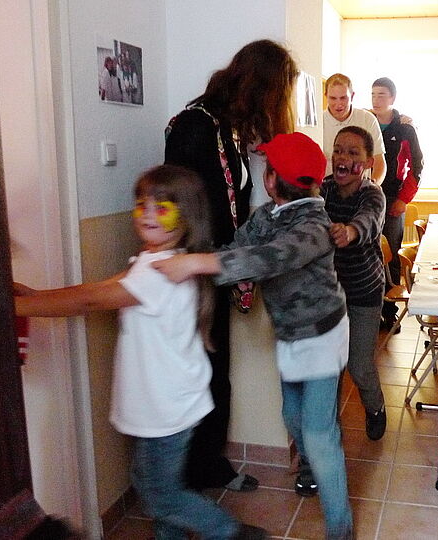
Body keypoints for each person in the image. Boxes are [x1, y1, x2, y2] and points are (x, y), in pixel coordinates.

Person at [14, 166, 265, 540]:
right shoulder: (153, 261)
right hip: (165, 404)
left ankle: (229, 532)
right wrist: (37, 296)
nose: (148, 213)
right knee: (156, 484)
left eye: (162, 207)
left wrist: (13, 306)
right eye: (141, 204)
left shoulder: (159, 273)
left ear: (186, 216)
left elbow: (90, 301)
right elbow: (97, 289)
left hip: (167, 408)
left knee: (160, 494)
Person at [153, 133, 354, 540]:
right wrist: (185, 259)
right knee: (293, 418)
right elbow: (237, 248)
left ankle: (340, 528)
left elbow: (272, 257)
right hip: (290, 335)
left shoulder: (315, 225)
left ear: (272, 179)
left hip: (323, 336)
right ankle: (313, 461)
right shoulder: (267, 216)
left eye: (268, 168)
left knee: (319, 435)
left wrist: (198, 264)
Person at [163, 39, 298, 493]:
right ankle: (189, 475)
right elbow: (184, 209)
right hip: (195, 272)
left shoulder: (223, 130)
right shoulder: (195, 126)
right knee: (199, 372)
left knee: (216, 369)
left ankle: (207, 465)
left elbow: (230, 203)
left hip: (215, 269)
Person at [322, 126, 388, 441]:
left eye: (352, 152)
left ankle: (375, 408)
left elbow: (370, 220)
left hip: (364, 293)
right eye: (338, 150)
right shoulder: (322, 191)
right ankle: (329, 428)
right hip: (330, 295)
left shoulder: (372, 193)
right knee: (330, 367)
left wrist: (350, 231)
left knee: (359, 366)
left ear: (368, 162)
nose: (343, 158)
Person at [370, 77, 423, 332]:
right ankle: (368, 310)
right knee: (367, 255)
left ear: (392, 98)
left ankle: (389, 313)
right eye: (373, 94)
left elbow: (417, 166)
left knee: (390, 254)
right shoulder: (365, 122)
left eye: (381, 95)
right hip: (366, 198)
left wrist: (404, 199)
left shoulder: (405, 129)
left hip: (393, 199)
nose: (376, 100)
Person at [322, 73, 386, 183]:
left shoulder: (367, 119)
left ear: (352, 96)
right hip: (326, 189)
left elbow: (379, 162)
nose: (338, 104)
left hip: (361, 188)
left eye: (343, 98)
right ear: (326, 96)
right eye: (333, 98)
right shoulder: (318, 122)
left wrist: (372, 187)